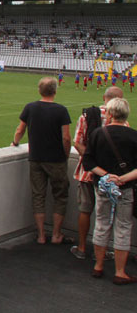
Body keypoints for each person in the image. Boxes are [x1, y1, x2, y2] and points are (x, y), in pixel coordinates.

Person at [11, 77, 72, 245]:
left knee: (38, 195)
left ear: (39, 90)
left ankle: (40, 235)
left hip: (36, 158)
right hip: (56, 160)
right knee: (60, 195)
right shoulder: (61, 110)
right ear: (55, 91)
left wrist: (15, 142)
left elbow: (20, 129)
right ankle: (56, 234)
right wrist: (65, 155)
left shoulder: (30, 107)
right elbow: (66, 138)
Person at [83, 98, 137, 284]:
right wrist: (121, 179)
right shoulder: (133, 136)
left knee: (101, 223)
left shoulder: (98, 134)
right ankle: (120, 272)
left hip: (103, 186)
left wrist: (106, 176)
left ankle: (98, 266)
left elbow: (88, 162)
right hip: (125, 188)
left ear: (110, 114)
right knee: (123, 226)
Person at [70, 86, 125, 260]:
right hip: (110, 176)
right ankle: (102, 252)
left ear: (104, 97)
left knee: (85, 210)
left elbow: (77, 143)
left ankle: (81, 247)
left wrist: (91, 161)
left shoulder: (86, 116)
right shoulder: (122, 121)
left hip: (87, 172)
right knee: (107, 214)